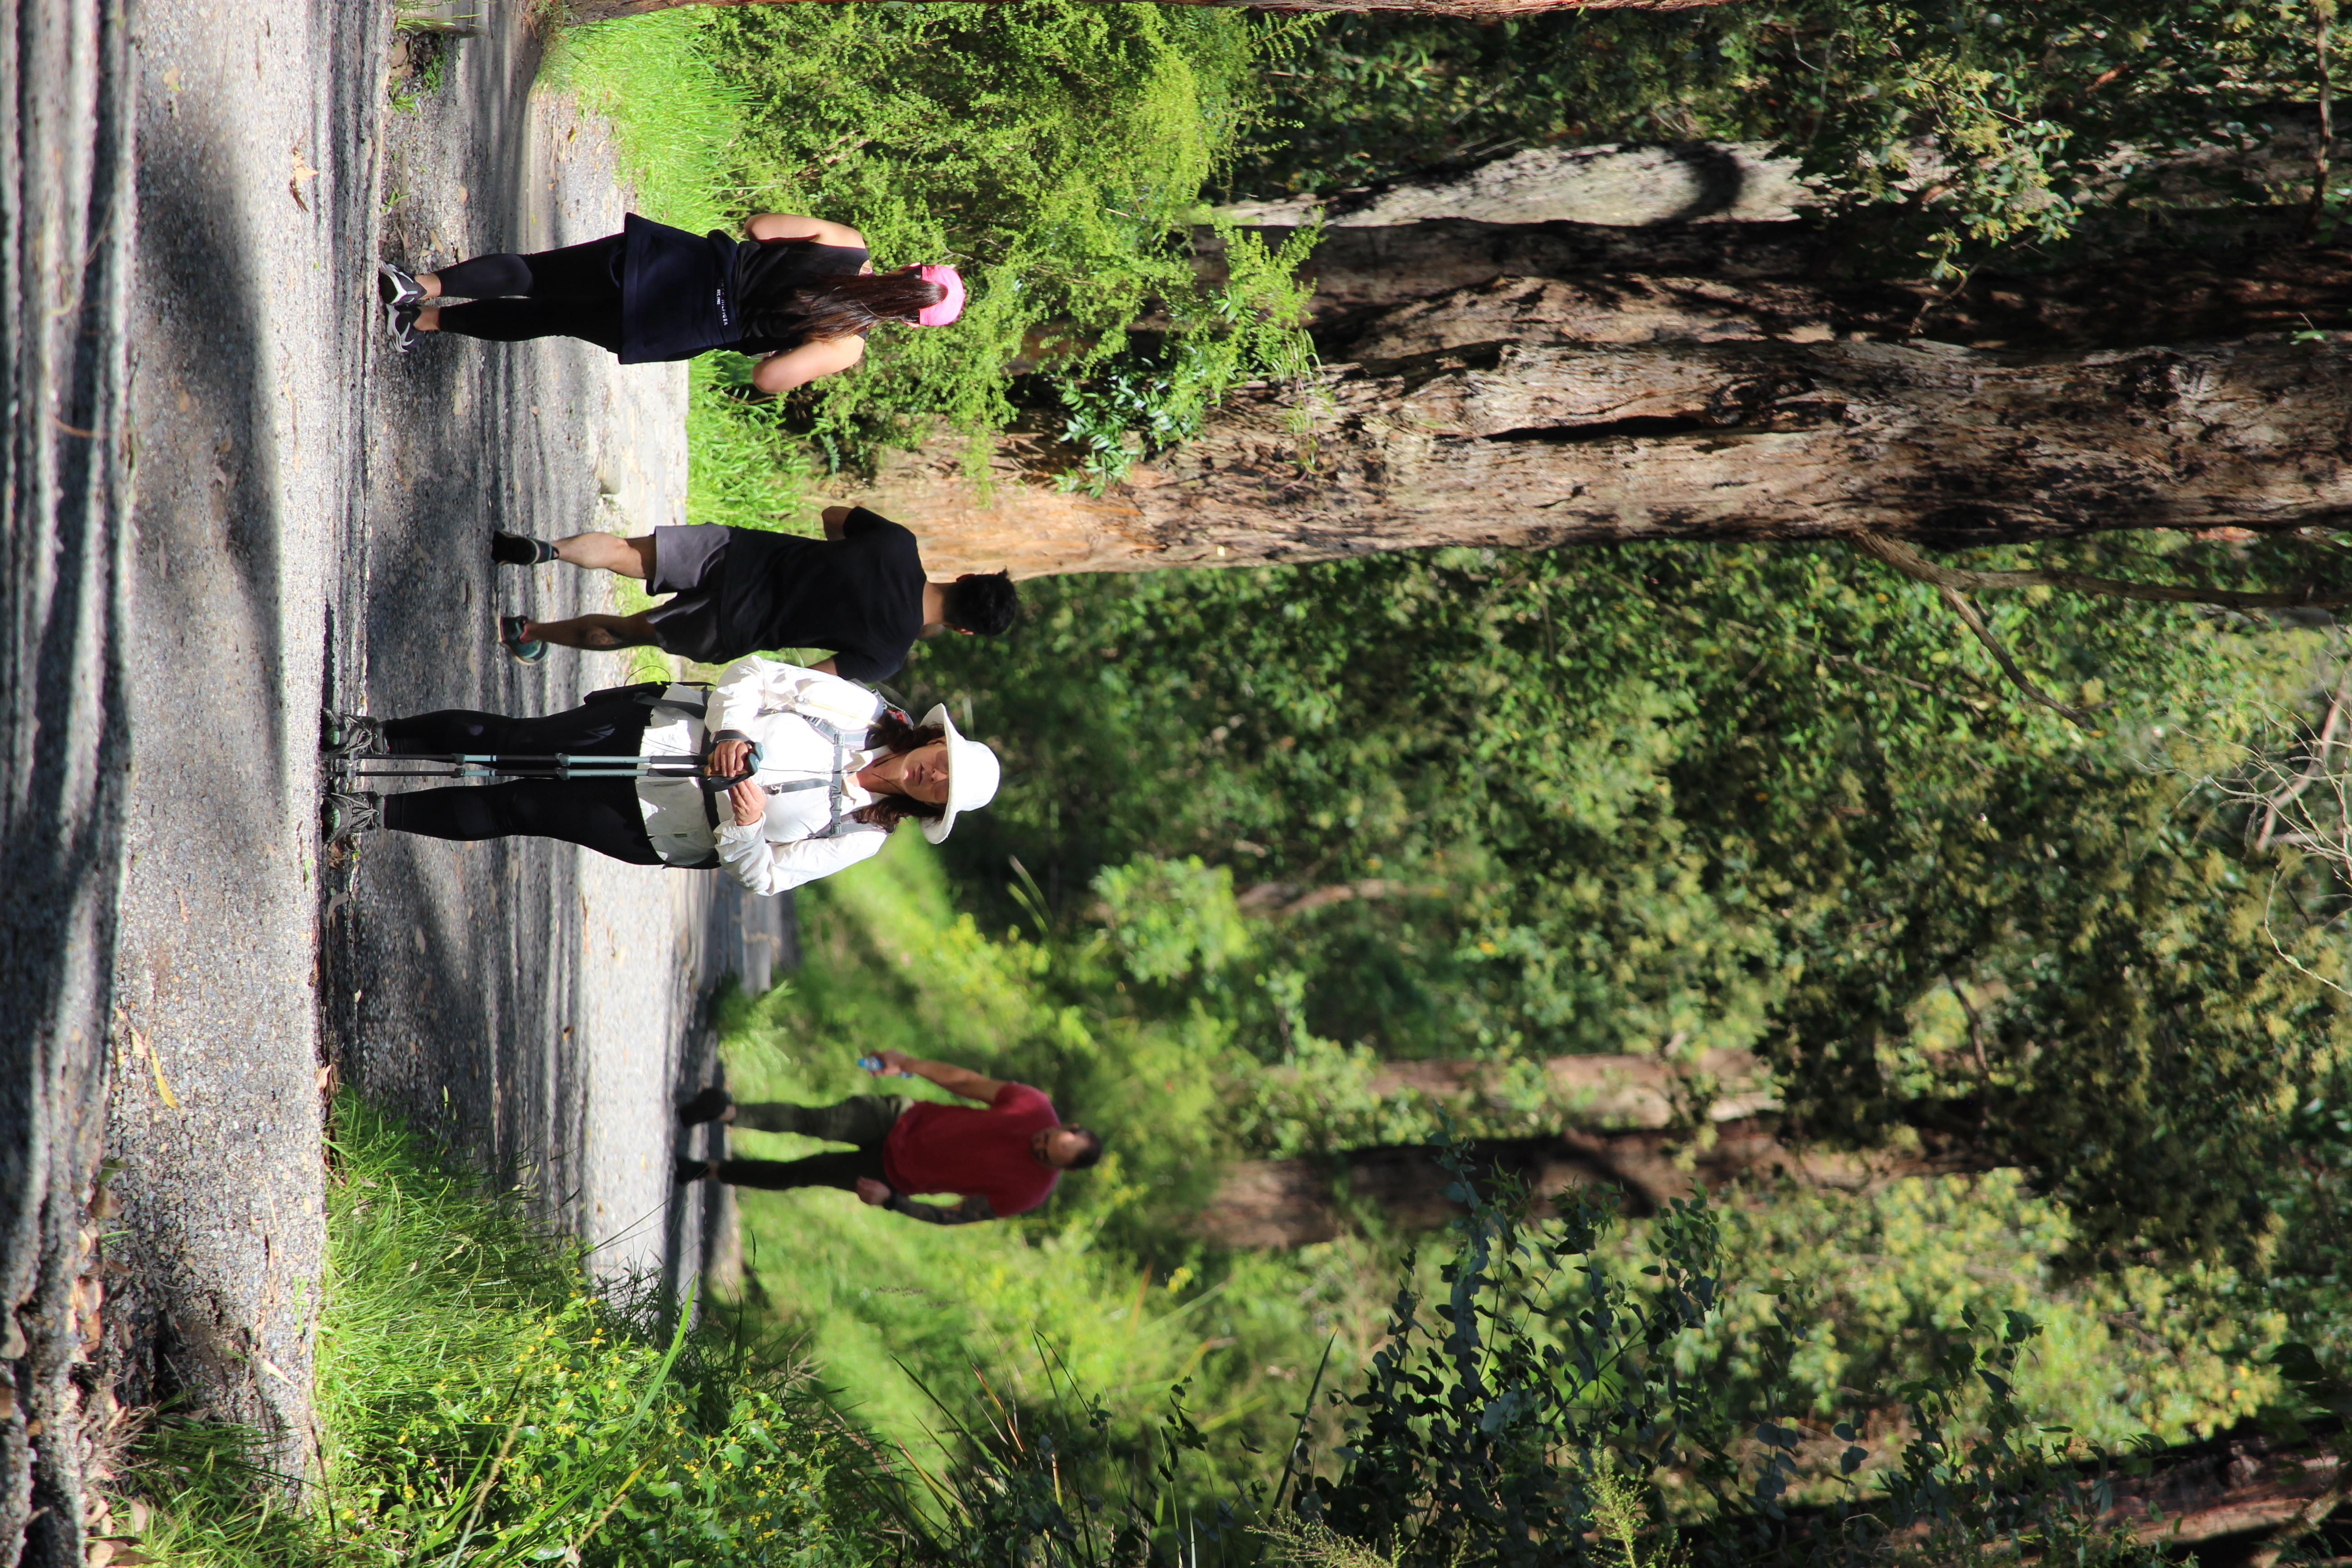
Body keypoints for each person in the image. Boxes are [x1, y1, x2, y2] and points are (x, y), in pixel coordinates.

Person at [321, 658, 999, 897]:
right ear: (938, 737)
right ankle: (374, 736)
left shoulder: (864, 836)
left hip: (659, 825)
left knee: (518, 810)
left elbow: (765, 876)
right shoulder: (862, 709)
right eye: (947, 760)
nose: (936, 774)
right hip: (657, 732)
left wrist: (748, 822)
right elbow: (754, 674)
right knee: (513, 741)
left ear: (931, 805)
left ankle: (372, 814)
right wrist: (732, 731)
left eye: (943, 787)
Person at [375, 211, 963, 393]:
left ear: (912, 269)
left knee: (538, 274)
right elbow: (768, 376)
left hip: (681, 264)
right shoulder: (844, 345)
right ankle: (426, 323)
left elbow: (759, 227)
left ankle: (420, 285)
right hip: (683, 322)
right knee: (550, 318)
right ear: (909, 323)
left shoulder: (847, 243)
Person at [485, 504, 1017, 676]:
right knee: (627, 632)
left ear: (968, 576)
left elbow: (834, 516)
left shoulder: (900, 544)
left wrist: (837, 556)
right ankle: (529, 631)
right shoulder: (888, 653)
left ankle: (551, 550)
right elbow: (811, 679)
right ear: (964, 628)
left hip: (741, 554)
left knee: (630, 553)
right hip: (737, 626)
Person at [672, 1050, 1102, 1225]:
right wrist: (907, 1063)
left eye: (1046, 1155)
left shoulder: (1027, 1193)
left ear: (1061, 1170)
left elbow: (953, 1216)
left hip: (891, 1174)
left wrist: (892, 1201)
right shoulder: (1033, 1104)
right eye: (1048, 1138)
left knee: (802, 1173)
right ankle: (726, 1111)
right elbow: (966, 1082)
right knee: (816, 1121)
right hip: (900, 1119)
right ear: (1070, 1128)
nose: (1038, 1144)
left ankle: (708, 1171)